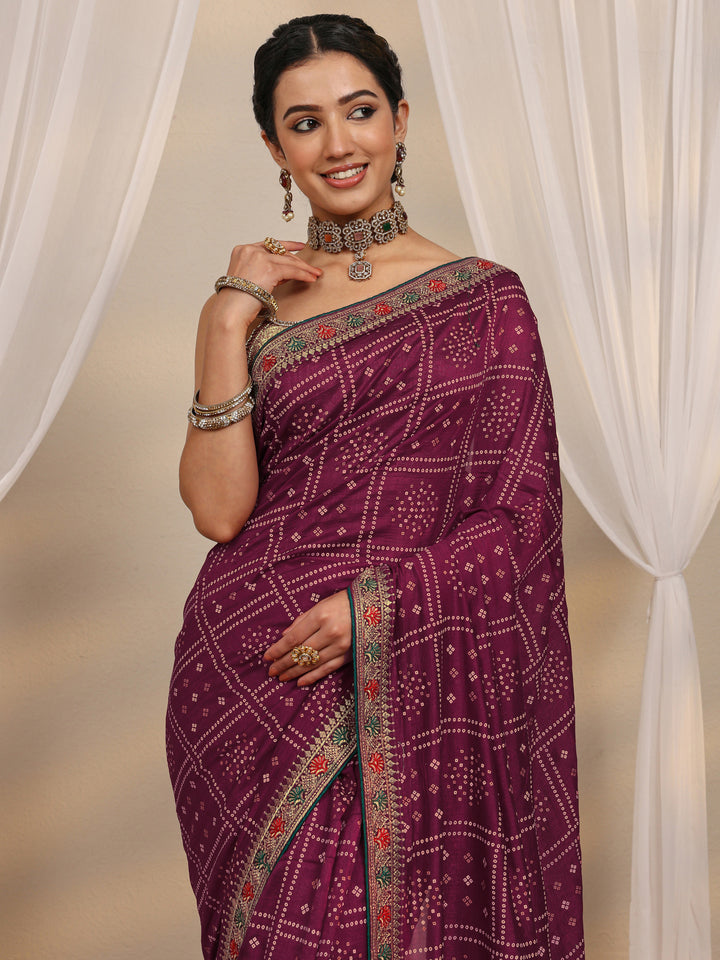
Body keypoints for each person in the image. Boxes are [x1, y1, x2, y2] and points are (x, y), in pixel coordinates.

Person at [166, 14, 584, 960]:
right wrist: (226, 316)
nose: (337, 143)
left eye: (359, 111)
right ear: (274, 148)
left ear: (400, 118)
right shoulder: (254, 308)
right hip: (252, 676)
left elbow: (522, 519)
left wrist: (378, 608)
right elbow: (219, 511)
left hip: (392, 659)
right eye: (304, 123)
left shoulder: (486, 299)